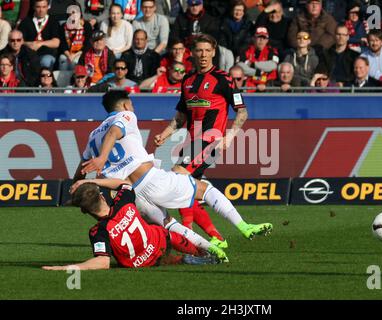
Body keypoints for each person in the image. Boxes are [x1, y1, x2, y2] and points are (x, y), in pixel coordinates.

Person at [76, 90, 272, 263]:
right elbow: (114, 132)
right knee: (205, 189)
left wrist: (77, 182)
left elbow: (83, 165)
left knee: (168, 223)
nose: (133, 108)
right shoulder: (126, 115)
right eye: (132, 105)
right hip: (150, 180)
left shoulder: (93, 135)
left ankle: (211, 249)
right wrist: (102, 158)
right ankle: (244, 226)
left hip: (131, 194)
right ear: (126, 104)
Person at [154, 34, 270, 248]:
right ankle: (220, 236)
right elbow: (181, 116)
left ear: (214, 52)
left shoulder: (223, 79)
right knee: (189, 189)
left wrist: (230, 136)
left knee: (177, 180)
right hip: (192, 142)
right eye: (199, 50)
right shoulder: (187, 81)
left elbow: (242, 112)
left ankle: (187, 236)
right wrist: (165, 133)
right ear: (193, 53)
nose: (204, 55)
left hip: (210, 139)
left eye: (208, 50)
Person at [42, 180, 215, 270]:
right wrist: (96, 181)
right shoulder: (122, 201)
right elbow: (124, 183)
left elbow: (102, 262)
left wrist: (67, 267)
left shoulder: (98, 231)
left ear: (84, 211)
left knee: (159, 256)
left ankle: (180, 260)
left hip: (141, 263)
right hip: (159, 241)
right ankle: (200, 253)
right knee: (164, 232)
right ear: (102, 197)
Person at [18, 0, 61, 69]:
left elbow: (56, 42)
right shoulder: (26, 21)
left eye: (44, 7)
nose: (41, 10)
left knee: (46, 61)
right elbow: (19, 41)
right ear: (34, 7)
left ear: (48, 7)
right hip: (29, 54)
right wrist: (29, 44)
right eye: (38, 7)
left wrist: (39, 44)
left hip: (47, 54)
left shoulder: (53, 21)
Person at [237, 26, 279, 92]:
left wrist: (253, 64)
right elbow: (239, 66)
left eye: (264, 38)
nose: (261, 40)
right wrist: (257, 72)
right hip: (249, 84)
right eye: (259, 37)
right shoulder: (245, 50)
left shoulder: (272, 51)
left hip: (268, 84)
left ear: (267, 40)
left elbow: (273, 65)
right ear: (253, 38)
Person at [59, 4, 93, 71]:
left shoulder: (86, 25)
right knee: (62, 59)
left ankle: (74, 80)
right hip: (67, 53)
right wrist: (69, 55)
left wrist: (74, 55)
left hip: (81, 53)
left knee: (75, 61)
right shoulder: (63, 26)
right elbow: (62, 44)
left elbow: (87, 44)